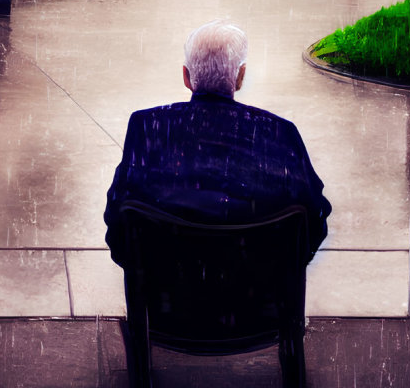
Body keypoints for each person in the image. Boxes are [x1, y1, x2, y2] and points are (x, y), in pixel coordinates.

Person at [104, 20, 331, 266]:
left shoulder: (146, 128)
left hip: (167, 300)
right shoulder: (280, 133)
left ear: (186, 76)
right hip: (257, 300)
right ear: (240, 77)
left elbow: (118, 228)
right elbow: (314, 221)